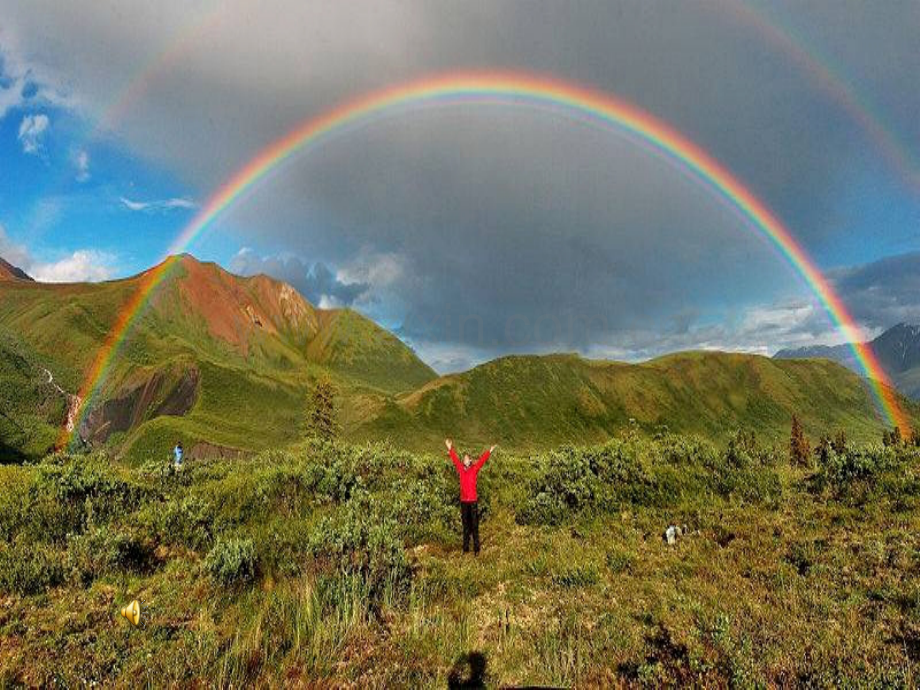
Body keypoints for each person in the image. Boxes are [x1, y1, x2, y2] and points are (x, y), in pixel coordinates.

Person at [445, 438, 496, 555]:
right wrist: (449, 448)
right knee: (465, 526)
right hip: (464, 501)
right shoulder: (461, 469)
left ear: (470, 460)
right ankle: (465, 548)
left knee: (474, 525)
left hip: (473, 501)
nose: (465, 460)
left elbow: (482, 461)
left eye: (467, 458)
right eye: (464, 459)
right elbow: (455, 459)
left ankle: (477, 549)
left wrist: (490, 451)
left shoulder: (474, 469)